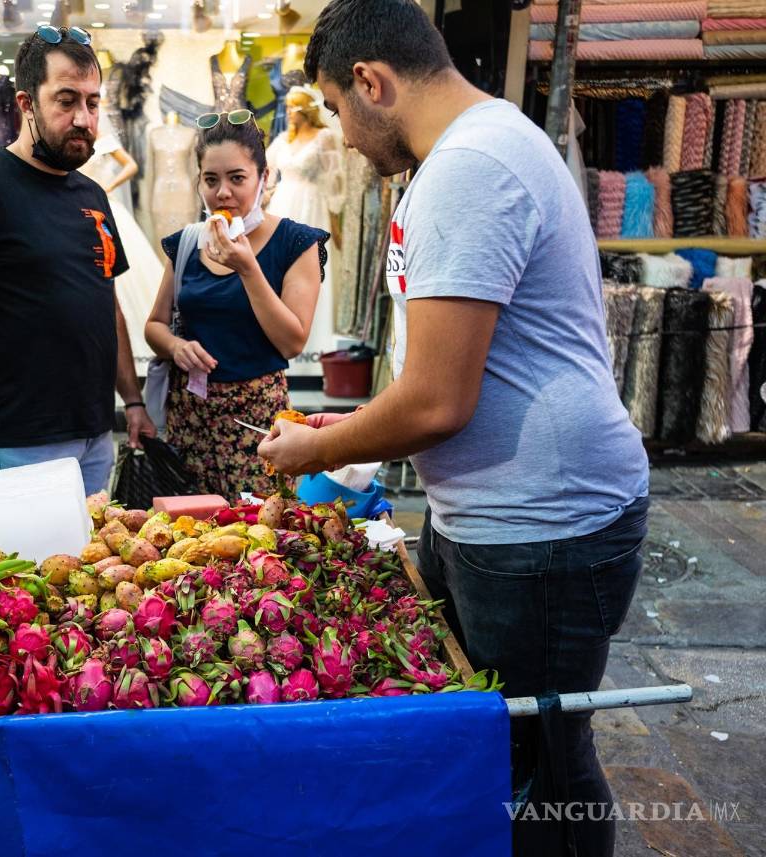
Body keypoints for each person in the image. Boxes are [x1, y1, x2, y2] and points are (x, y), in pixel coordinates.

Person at [258, 2, 650, 855]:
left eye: (336, 108)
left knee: (541, 762)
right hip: (500, 515)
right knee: (493, 737)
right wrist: (353, 432)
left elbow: (437, 400)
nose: (346, 139)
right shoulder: (490, 137)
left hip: (543, 528)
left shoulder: (468, 169)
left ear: (373, 83)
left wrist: (317, 447)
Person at [0, 26, 154, 494]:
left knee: (90, 564)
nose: (85, 118)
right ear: (26, 104)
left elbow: (108, 305)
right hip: (20, 439)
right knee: (32, 566)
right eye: (66, 101)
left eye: (92, 102)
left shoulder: (92, 194)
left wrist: (133, 400)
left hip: (95, 432)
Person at [144, 112, 326, 499]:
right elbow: (155, 326)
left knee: (258, 539)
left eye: (237, 178)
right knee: (190, 543)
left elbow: (292, 342)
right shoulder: (188, 242)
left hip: (256, 421)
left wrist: (248, 269)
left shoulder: (295, 242)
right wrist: (176, 347)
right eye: (211, 180)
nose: (223, 193)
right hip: (190, 420)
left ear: (264, 177)